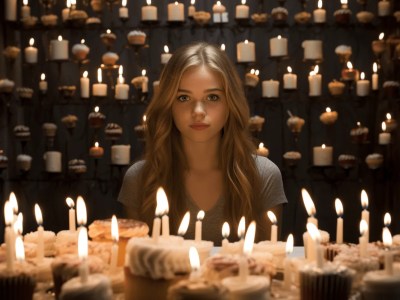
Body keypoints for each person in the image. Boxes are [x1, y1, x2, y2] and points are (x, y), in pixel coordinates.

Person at [118, 42, 287, 245]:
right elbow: (139, 264)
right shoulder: (140, 179)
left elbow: (269, 265)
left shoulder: (264, 176)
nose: (198, 111)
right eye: (183, 97)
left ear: (230, 104)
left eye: (212, 97)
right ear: (168, 104)